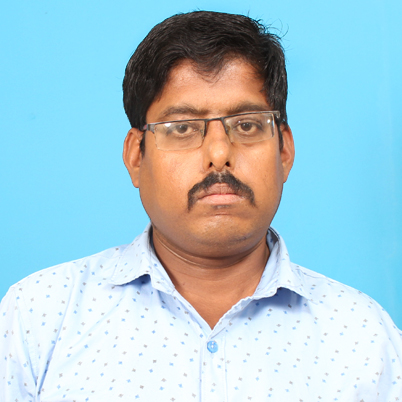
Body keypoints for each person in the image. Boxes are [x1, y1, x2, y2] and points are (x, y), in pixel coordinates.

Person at [1, 10, 401, 401]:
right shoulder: (39, 316)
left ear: (284, 152)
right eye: (182, 128)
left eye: (247, 124)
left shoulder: (365, 338)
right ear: (136, 156)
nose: (219, 154)